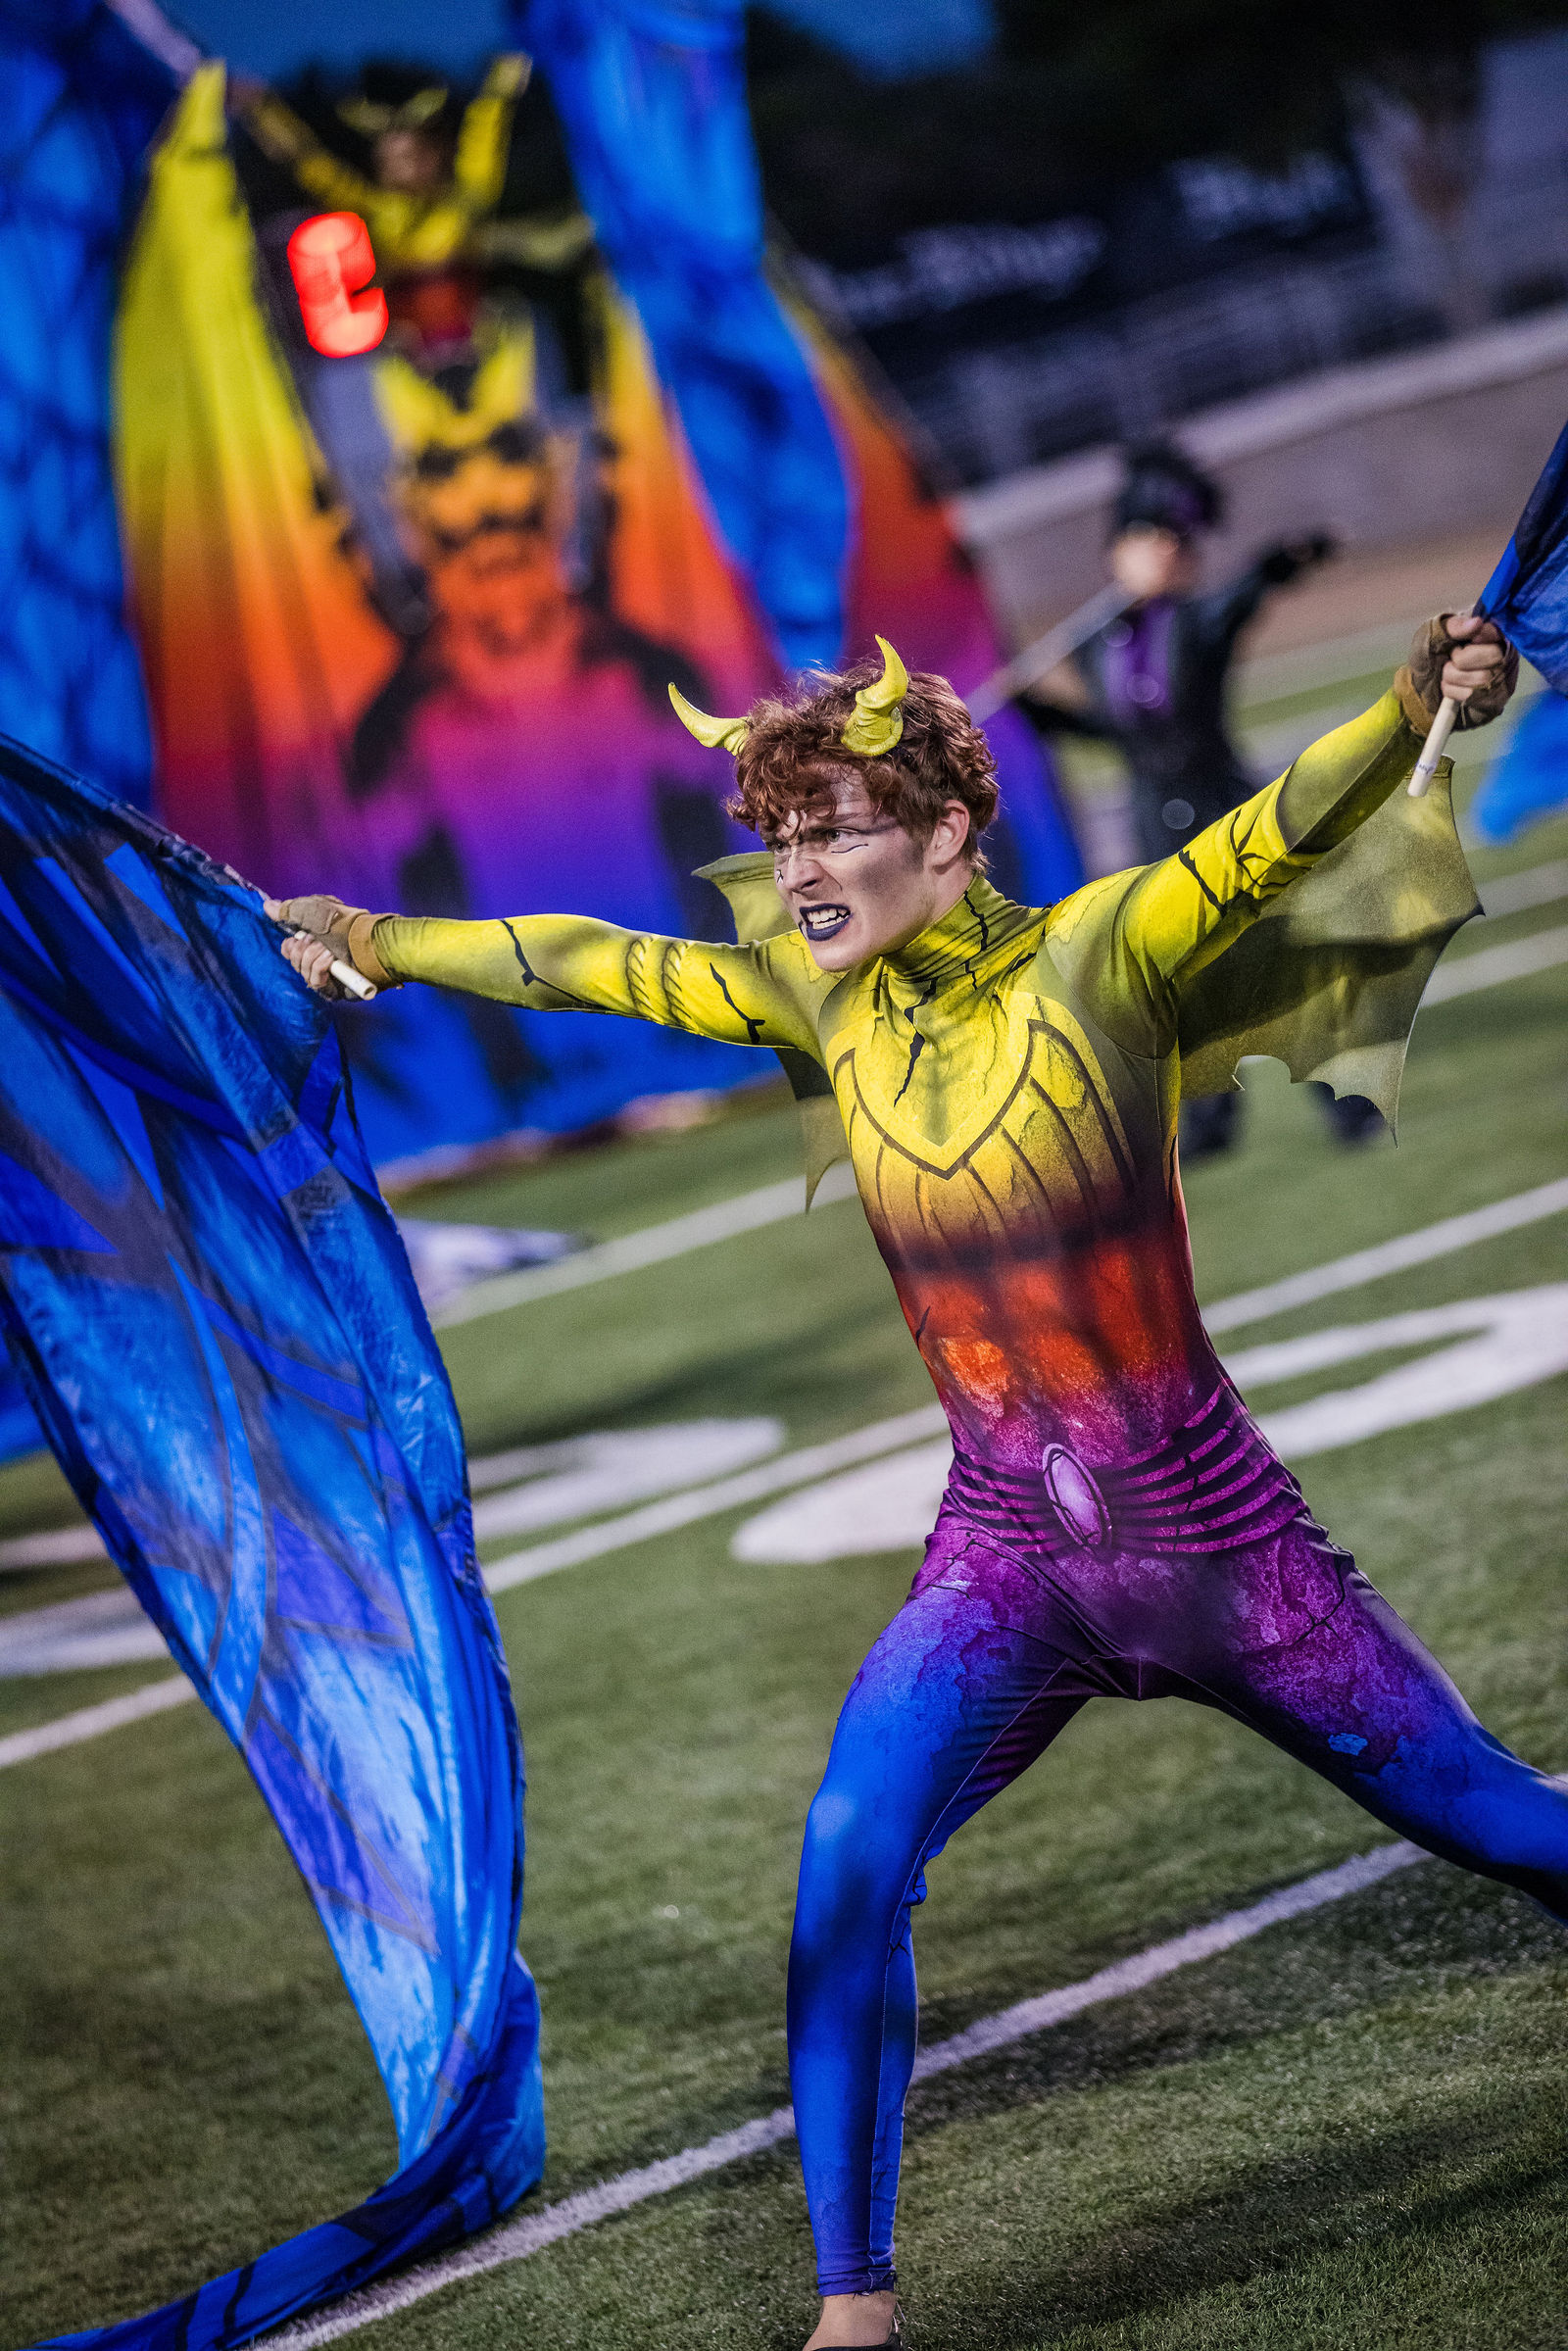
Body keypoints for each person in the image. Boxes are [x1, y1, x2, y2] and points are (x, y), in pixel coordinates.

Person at [268, 613, 1564, 2351]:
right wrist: (371, 936)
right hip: (1004, 1558)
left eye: (838, 825)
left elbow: (1272, 830)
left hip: (1222, 1552)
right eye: (782, 832)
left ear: (954, 830)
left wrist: (1414, 700)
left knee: (1494, 1818)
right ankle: (854, 2307)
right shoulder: (816, 998)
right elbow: (577, 954)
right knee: (850, 1856)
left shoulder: (1107, 951)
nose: (798, 863)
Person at [1017, 441, 1363, 1156]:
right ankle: (1207, 1125)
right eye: (1148, 541)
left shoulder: (1196, 624)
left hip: (1225, 812)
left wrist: (1282, 564)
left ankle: (1348, 1106)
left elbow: (1244, 598)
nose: (1166, 554)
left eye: (1176, 543)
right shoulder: (1093, 645)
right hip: (1156, 826)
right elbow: (1121, 738)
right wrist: (1039, 715)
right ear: (1118, 551)